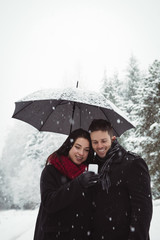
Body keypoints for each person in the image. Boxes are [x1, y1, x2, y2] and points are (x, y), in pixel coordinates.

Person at [88, 119, 152, 240]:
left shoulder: (133, 163)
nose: (99, 146)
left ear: (113, 138)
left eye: (103, 141)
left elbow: (143, 211)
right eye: (95, 142)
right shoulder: (92, 166)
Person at [33, 128, 99, 240]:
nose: (81, 153)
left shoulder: (87, 174)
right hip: (53, 236)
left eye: (86, 150)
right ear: (69, 146)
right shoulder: (50, 171)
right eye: (77, 147)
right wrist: (78, 184)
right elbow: (49, 203)